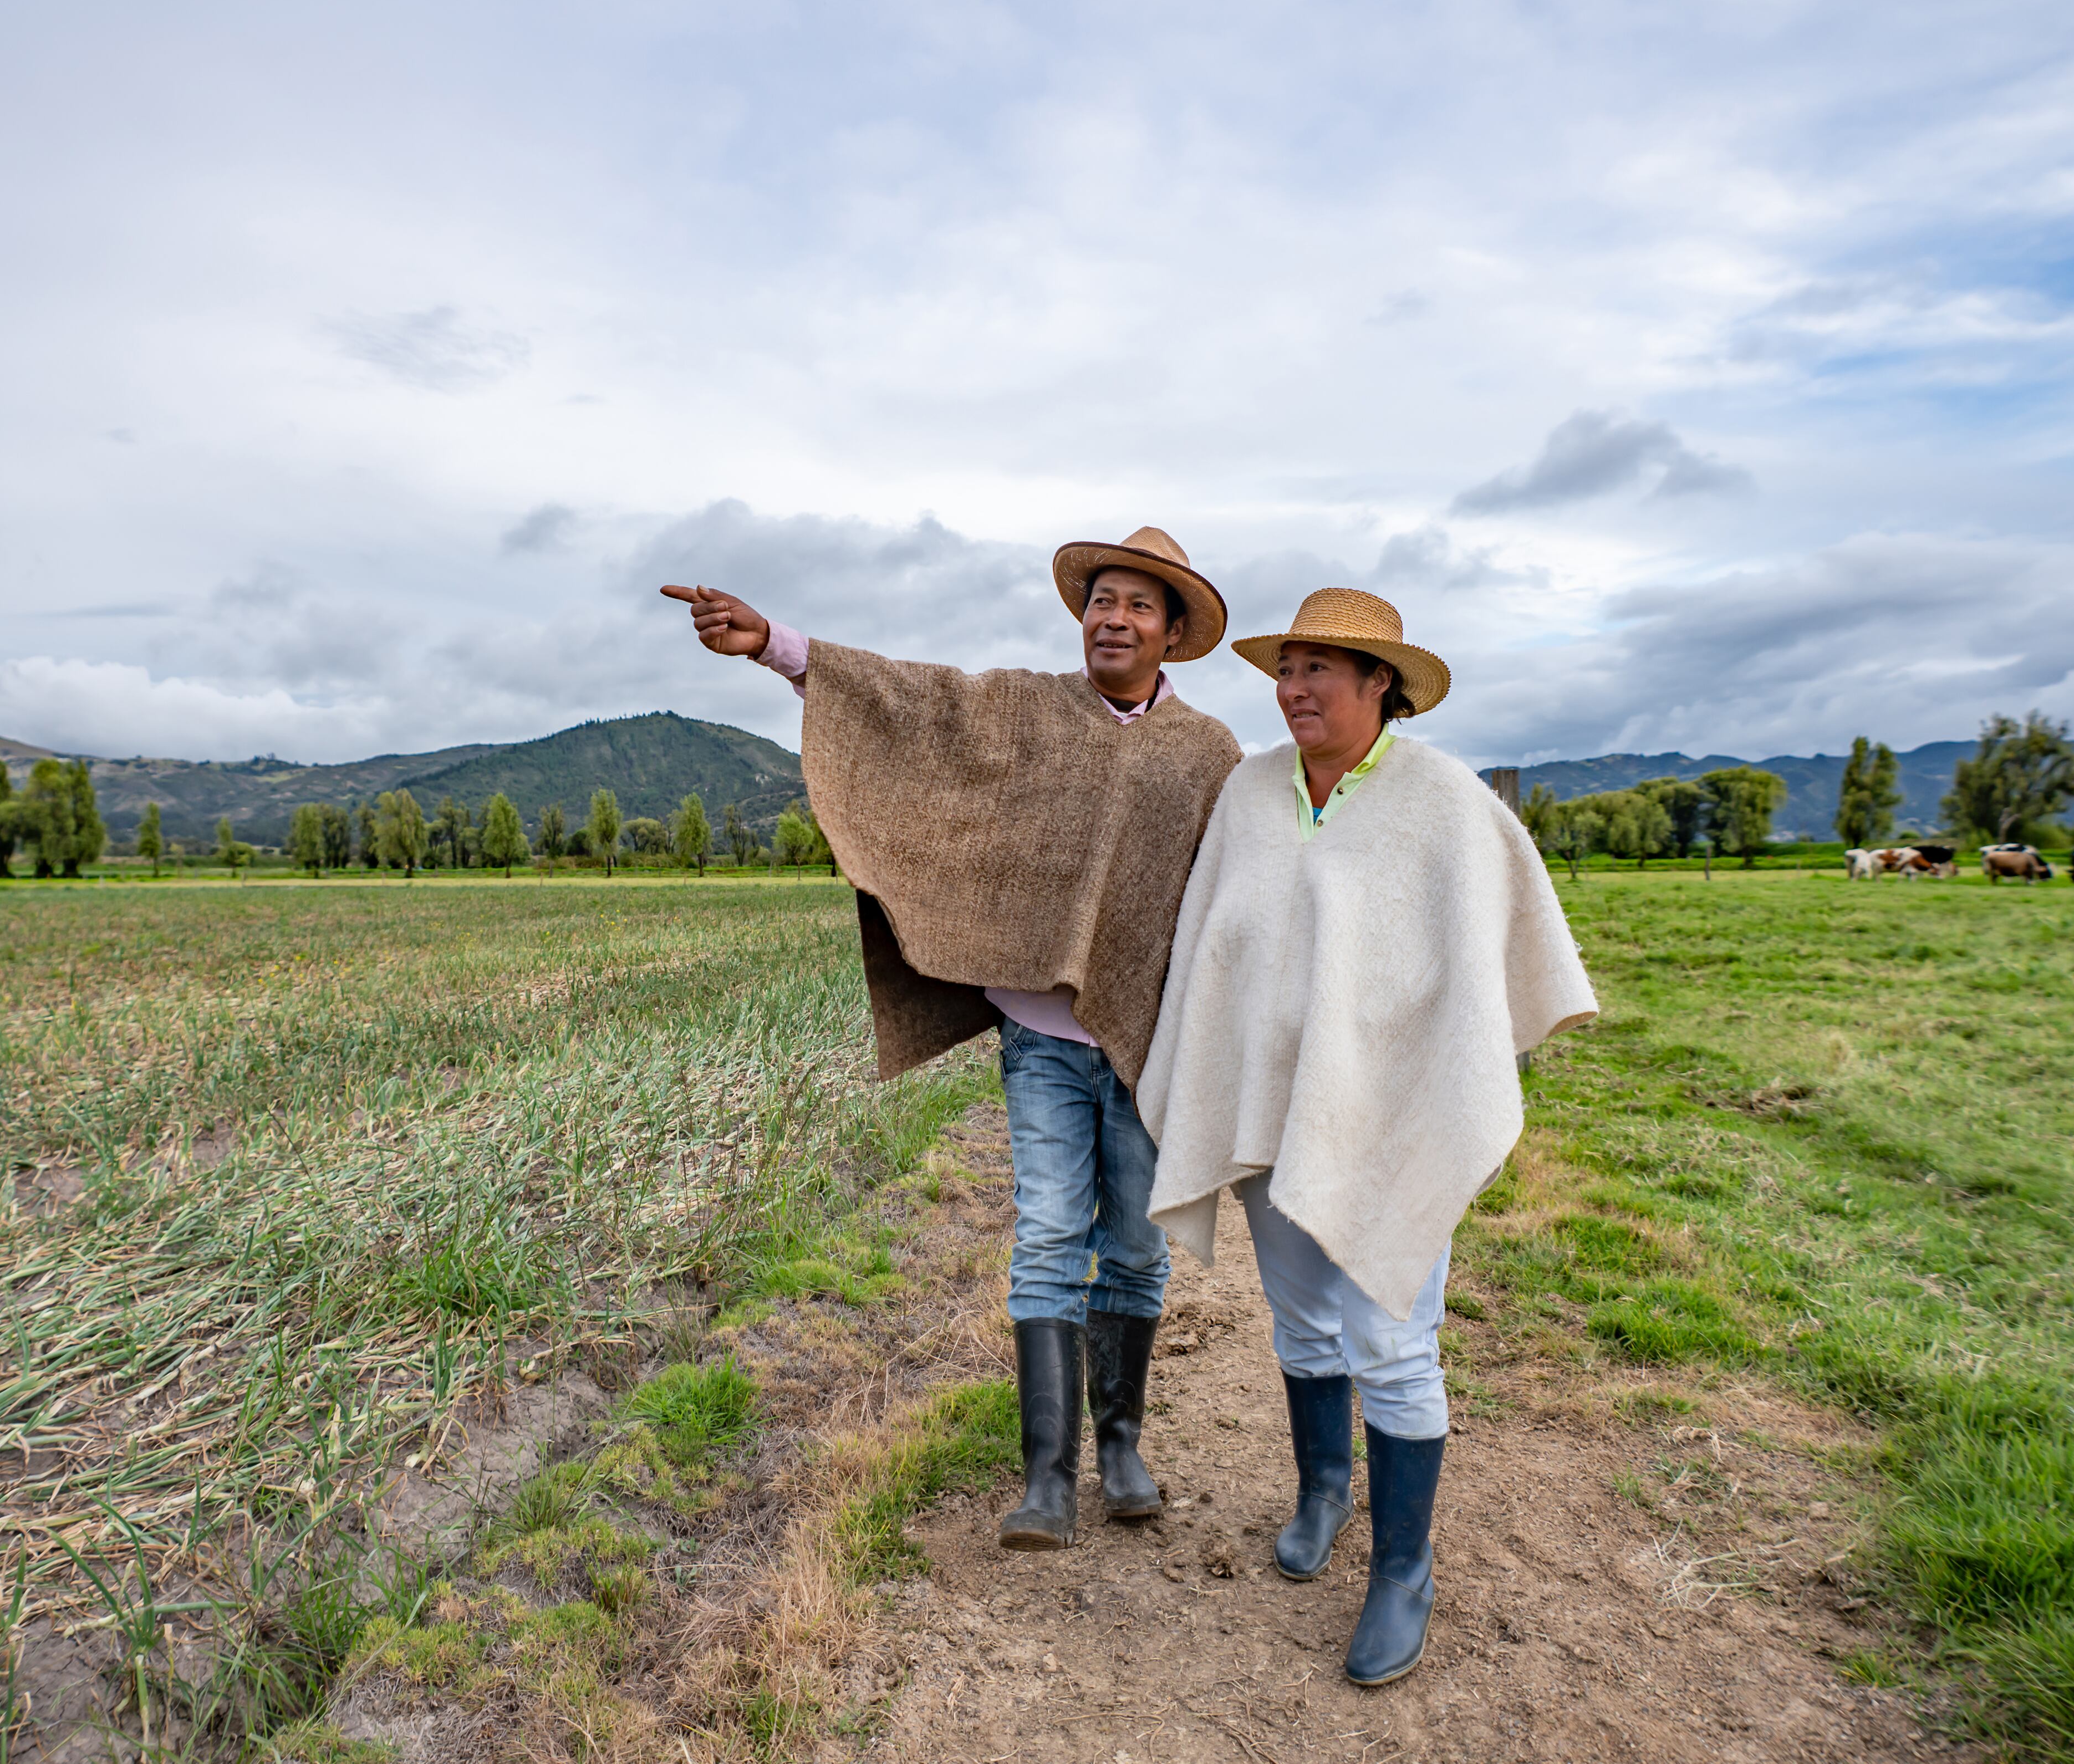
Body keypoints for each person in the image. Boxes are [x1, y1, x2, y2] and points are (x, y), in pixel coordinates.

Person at [661, 529, 1242, 1549]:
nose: (1115, 617)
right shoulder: (1024, 708)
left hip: (1150, 1046)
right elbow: (914, 707)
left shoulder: (1208, 755)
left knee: (1139, 1248)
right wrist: (776, 647)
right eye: (1102, 599)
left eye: (1140, 606)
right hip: (1042, 1044)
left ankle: (1121, 1447)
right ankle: (1049, 1480)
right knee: (1053, 1233)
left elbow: (1245, 887)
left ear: (1174, 631)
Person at [1137, 588, 1596, 1685]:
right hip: (1273, 1111)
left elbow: (1495, 954)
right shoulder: (1250, 792)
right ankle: (1322, 1494)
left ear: (1378, 681)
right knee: (1301, 1327)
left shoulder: (1443, 801)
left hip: (1388, 1119)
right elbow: (1218, 943)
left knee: (1389, 1340)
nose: (1293, 690)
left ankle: (1402, 1569)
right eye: (1284, 670)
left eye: (1316, 671)